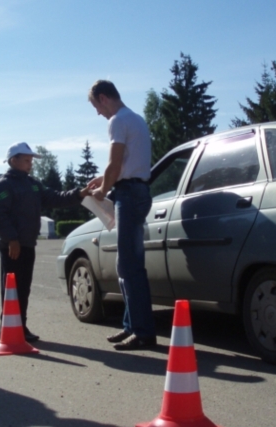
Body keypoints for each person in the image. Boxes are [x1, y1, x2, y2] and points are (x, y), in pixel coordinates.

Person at [0, 142, 90, 342]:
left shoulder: (32, 183)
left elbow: (55, 198)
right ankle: (7, 329)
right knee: (12, 289)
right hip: (13, 246)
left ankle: (20, 326)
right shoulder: (5, 184)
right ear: (13, 160)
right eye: (26, 160)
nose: (30, 164)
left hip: (27, 244)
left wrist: (80, 193)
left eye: (31, 161)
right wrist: (12, 239)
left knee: (24, 288)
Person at [86, 80, 156, 350]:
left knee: (130, 266)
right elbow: (127, 163)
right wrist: (103, 178)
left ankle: (143, 332)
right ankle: (131, 326)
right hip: (136, 191)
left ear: (103, 98)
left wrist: (102, 190)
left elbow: (116, 164)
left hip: (129, 194)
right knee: (125, 264)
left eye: (96, 106)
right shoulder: (135, 118)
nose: (97, 113)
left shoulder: (116, 120)